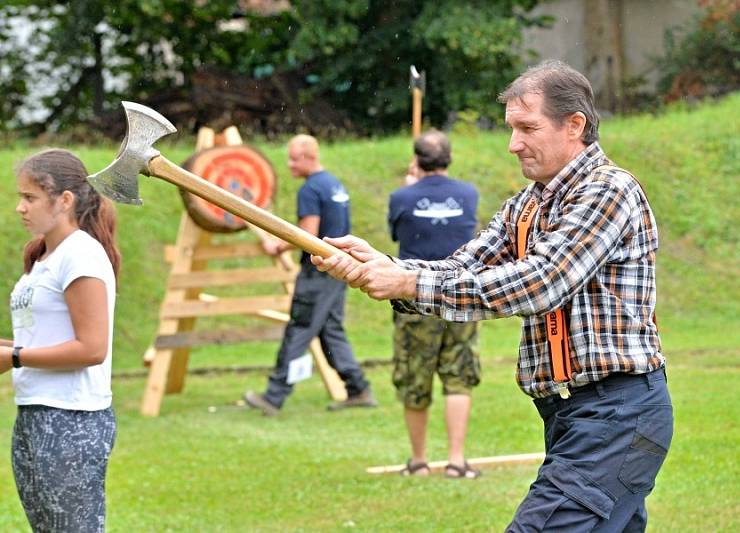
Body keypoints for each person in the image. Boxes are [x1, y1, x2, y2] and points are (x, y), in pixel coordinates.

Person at [312, 60, 673, 531]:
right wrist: (384, 267)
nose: (513, 144)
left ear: (575, 125)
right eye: (511, 128)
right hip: (570, 415)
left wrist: (407, 282)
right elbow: (464, 268)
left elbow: (542, 282)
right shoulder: (526, 205)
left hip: (618, 414)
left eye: (527, 128)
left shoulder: (608, 190)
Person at [1, 149, 120, 532]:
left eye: (30, 198)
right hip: (35, 413)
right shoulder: (42, 258)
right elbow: (44, 338)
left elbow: (92, 348)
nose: (21, 208)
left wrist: (15, 357)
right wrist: (9, 348)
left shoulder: (81, 255)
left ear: (64, 200)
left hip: (73, 419)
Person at [243, 134, 376, 416]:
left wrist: (277, 245)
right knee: (331, 330)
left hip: (317, 272)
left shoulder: (310, 189)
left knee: (299, 329)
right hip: (340, 268)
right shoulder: (333, 184)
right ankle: (358, 389)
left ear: (308, 157)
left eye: (293, 159)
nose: (289, 165)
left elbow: (307, 234)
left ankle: (274, 396)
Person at [388, 130, 482, 478]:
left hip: (415, 299)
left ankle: (419, 462)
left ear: (416, 159)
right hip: (461, 296)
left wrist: (410, 186)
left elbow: (398, 234)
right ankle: (457, 461)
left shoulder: (401, 196)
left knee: (415, 376)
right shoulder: (468, 194)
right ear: (449, 158)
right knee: (458, 376)